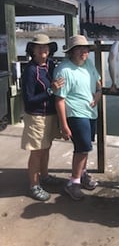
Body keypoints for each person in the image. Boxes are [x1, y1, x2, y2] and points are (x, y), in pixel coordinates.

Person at [54, 35, 102, 200]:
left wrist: (98, 94)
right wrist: (63, 125)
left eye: (86, 49)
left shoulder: (88, 64)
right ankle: (73, 183)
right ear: (71, 52)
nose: (84, 52)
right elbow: (59, 99)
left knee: (86, 147)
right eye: (80, 49)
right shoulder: (63, 70)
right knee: (81, 149)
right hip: (75, 114)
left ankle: (83, 174)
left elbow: (98, 83)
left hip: (90, 113)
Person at [21, 34, 64, 201]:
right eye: (39, 47)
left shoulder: (51, 65)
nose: (43, 49)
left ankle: (44, 176)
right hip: (36, 117)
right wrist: (50, 90)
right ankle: (34, 185)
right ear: (32, 50)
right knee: (37, 152)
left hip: (51, 115)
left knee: (46, 147)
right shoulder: (30, 70)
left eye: (46, 46)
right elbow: (29, 100)